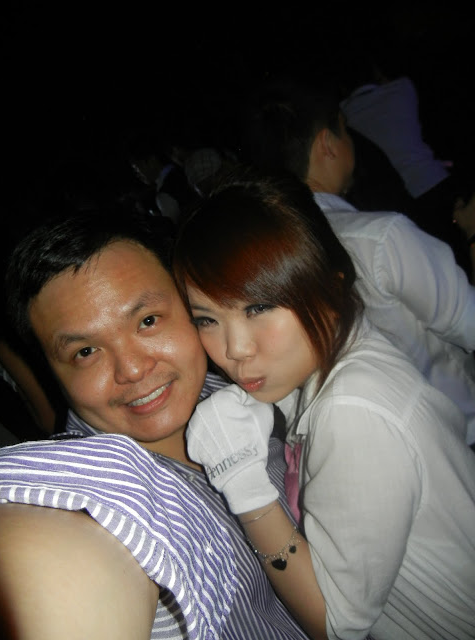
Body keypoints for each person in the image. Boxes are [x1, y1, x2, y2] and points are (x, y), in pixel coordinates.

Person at [172, 168, 475, 640]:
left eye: (258, 307)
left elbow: (334, 623)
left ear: (331, 286)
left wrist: (243, 483)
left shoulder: (352, 410)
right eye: (207, 319)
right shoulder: (334, 366)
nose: (234, 350)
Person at [0, 209, 310, 640]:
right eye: (85, 352)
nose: (132, 369)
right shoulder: (102, 490)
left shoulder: (235, 379)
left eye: (147, 321)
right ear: (53, 374)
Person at [237, 75, 475, 446]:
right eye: (345, 132)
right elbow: (469, 322)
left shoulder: (266, 254)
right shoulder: (379, 237)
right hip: (458, 427)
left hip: (376, 438)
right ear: (327, 144)